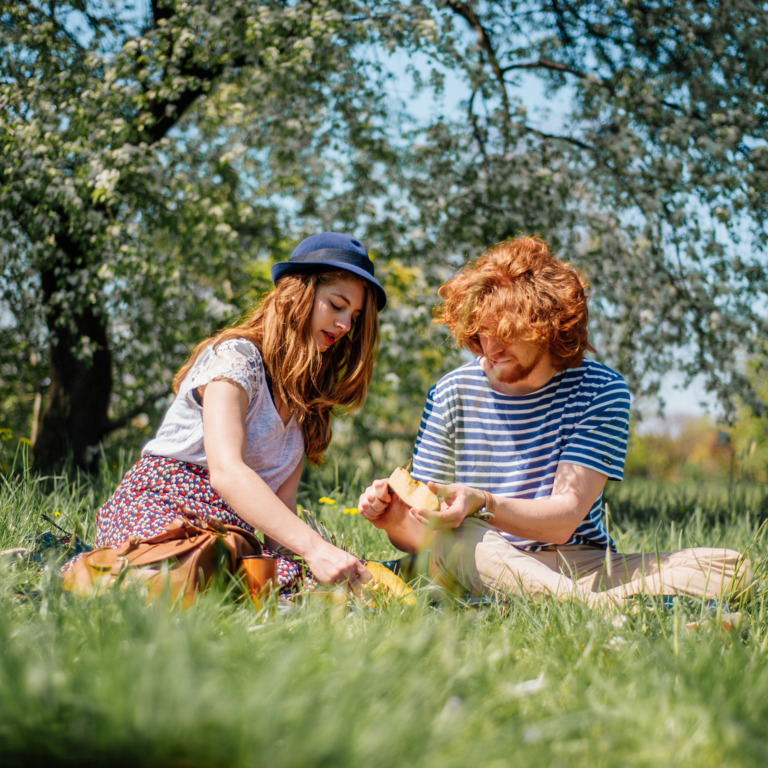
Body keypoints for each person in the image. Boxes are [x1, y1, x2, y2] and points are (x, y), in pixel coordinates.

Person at [358, 236, 752, 608]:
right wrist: (395, 521)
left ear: (547, 329)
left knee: (732, 569)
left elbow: (562, 521)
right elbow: (424, 537)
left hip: (575, 564)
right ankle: (596, 610)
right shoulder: (450, 392)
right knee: (458, 536)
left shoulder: (600, 389)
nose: (489, 348)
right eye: (480, 333)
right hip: (475, 553)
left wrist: (485, 502)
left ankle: (563, 602)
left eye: (505, 334)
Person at [68, 232, 385, 595]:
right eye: (336, 305)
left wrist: (315, 563)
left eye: (354, 316)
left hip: (233, 533)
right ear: (297, 293)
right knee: (182, 576)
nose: (345, 325)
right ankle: (95, 576)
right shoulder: (237, 359)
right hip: (166, 504)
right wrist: (316, 548)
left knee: (294, 586)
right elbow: (226, 472)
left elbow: (281, 510)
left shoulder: (304, 401)